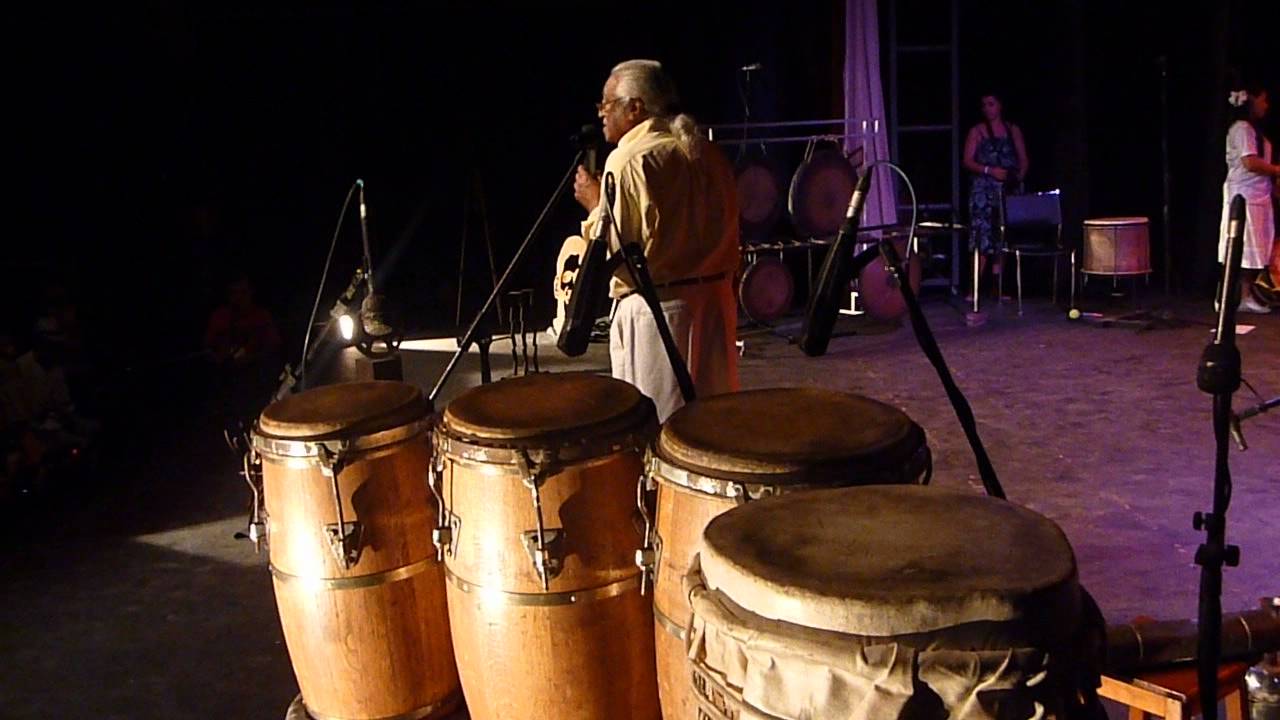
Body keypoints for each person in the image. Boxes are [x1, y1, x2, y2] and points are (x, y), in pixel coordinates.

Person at [572, 59, 739, 421]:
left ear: (635, 107)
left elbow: (616, 252)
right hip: (714, 305)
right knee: (716, 427)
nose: (601, 113)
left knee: (661, 427)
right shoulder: (707, 152)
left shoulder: (629, 159)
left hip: (658, 312)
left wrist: (595, 205)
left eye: (607, 103)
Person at [1218, 84, 1279, 314]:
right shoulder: (1241, 128)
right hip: (1243, 197)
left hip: (1258, 196)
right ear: (1251, 100)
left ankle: (1246, 295)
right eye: (1262, 100)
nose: (1266, 105)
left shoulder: (1256, 131)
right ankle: (1231, 296)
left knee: (1253, 249)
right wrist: (1276, 170)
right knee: (1240, 247)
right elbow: (1249, 162)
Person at [963, 93, 1029, 301]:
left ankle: (997, 285)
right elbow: (967, 160)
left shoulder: (1012, 130)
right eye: (984, 105)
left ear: (1000, 106)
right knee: (982, 236)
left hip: (1006, 190)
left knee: (1002, 237)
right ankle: (974, 287)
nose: (987, 109)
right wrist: (989, 170)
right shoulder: (977, 132)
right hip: (983, 190)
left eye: (991, 104)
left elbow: (1023, 159)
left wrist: (1017, 179)